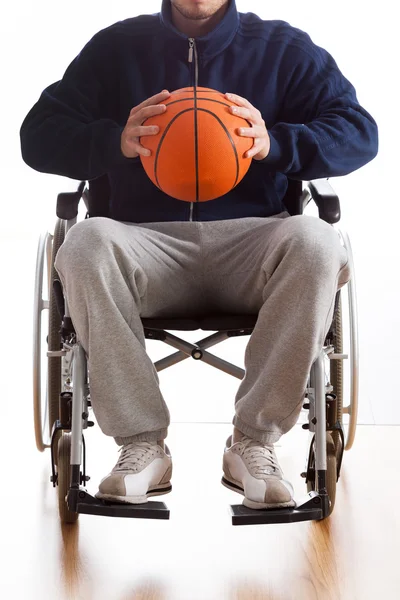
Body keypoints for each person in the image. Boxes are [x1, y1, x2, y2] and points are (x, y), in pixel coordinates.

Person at [20, 0, 378, 510]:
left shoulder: (283, 49)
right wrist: (113, 141)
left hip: (253, 241)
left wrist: (274, 144)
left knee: (318, 241)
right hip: (143, 242)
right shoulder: (116, 48)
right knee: (85, 242)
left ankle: (253, 442)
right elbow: (36, 136)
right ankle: (142, 445)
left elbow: (360, 133)